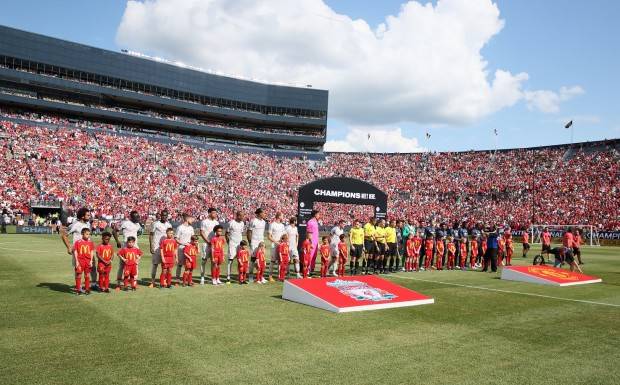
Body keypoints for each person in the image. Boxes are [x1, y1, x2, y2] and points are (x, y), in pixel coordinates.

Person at [61, 207, 97, 291]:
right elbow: (64, 235)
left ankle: (94, 284)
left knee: (92, 266)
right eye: (88, 215)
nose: (89, 216)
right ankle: (79, 286)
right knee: (78, 268)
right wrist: (69, 247)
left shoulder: (88, 224)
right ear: (82, 216)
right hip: (78, 251)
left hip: (88, 250)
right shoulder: (75, 224)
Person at [113, 211, 142, 288]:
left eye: (138, 216)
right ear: (131, 217)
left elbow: (138, 233)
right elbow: (114, 231)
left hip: (135, 247)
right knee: (122, 265)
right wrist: (117, 241)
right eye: (136, 217)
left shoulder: (138, 224)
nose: (138, 218)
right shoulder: (125, 223)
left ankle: (134, 283)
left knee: (135, 264)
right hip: (125, 247)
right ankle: (118, 283)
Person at [148, 209, 171, 288]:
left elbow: (170, 236)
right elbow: (151, 235)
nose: (164, 217)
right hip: (157, 247)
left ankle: (164, 281)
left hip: (165, 249)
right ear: (160, 215)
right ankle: (153, 281)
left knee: (164, 266)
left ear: (167, 216)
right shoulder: (155, 224)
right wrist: (151, 246)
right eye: (163, 215)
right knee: (155, 265)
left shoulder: (169, 225)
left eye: (166, 215)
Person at [200, 208, 219, 285]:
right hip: (206, 244)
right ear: (209, 213)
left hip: (214, 245)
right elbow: (201, 232)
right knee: (204, 261)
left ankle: (213, 278)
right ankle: (202, 277)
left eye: (216, 213)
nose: (215, 214)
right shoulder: (204, 222)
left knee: (214, 262)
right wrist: (207, 241)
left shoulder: (216, 222)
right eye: (214, 213)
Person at [73, 228, 95, 295]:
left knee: (87, 275)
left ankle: (87, 289)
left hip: (87, 262)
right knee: (79, 275)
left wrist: (91, 261)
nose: (88, 235)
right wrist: (76, 261)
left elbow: (91, 252)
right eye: (87, 234)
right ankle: (78, 290)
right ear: (82, 234)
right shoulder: (78, 242)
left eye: (89, 234)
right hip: (80, 261)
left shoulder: (90, 243)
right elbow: (75, 252)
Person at [175, 213, 195, 285]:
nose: (193, 220)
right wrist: (183, 243)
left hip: (189, 250)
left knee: (188, 265)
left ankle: (188, 280)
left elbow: (193, 238)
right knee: (180, 264)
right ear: (187, 219)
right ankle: (177, 279)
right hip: (181, 248)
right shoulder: (180, 227)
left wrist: (194, 244)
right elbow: (176, 239)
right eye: (191, 218)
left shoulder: (191, 228)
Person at [247, 208, 266, 282]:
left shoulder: (264, 222)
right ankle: (250, 276)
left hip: (261, 242)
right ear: (259, 213)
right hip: (254, 242)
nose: (264, 214)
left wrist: (263, 243)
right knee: (253, 259)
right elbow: (249, 231)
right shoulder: (253, 221)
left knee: (262, 259)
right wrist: (250, 242)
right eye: (263, 213)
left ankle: (261, 276)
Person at [226, 211, 245, 282]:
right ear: (237, 216)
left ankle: (240, 276)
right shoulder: (231, 223)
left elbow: (241, 233)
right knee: (230, 260)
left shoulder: (242, 223)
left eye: (243, 215)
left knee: (240, 260)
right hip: (232, 244)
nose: (243, 217)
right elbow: (226, 233)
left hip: (239, 244)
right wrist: (229, 242)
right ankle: (228, 277)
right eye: (242, 216)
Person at [268, 212, 286, 282]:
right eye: (282, 216)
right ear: (279, 216)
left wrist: (283, 241)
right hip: (274, 245)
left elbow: (284, 235)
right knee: (272, 261)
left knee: (280, 261)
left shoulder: (282, 225)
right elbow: (269, 236)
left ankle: (280, 276)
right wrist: (276, 242)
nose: (283, 217)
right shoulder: (272, 224)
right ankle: (270, 276)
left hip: (280, 246)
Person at [305, 210, 320, 276]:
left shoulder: (316, 222)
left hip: (316, 242)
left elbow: (316, 234)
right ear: (315, 215)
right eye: (318, 214)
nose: (319, 216)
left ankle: (311, 270)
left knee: (314, 257)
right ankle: (307, 271)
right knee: (310, 257)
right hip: (312, 243)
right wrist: (310, 243)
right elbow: (309, 234)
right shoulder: (310, 222)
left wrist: (318, 243)